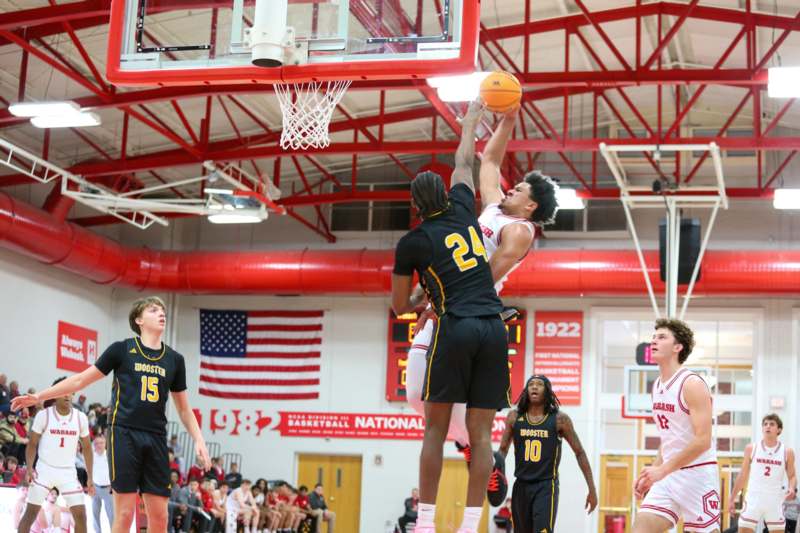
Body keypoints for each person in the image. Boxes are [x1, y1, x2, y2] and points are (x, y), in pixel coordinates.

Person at [404, 105, 559, 507]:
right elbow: (487, 159)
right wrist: (509, 117)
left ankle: (477, 455)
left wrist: (444, 297)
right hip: (449, 302)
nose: (512, 189)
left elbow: (485, 274)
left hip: (470, 309)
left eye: (520, 190)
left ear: (531, 207)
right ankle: (475, 453)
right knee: (415, 395)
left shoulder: (520, 230)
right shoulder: (493, 207)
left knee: (441, 410)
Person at [392, 100, 509, 533]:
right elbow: (464, 162)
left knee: (434, 431)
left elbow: (399, 306)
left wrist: (426, 294)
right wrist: (470, 124)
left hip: (455, 325)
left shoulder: (414, 241)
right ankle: (469, 525)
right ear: (446, 195)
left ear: (415, 205)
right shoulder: (462, 208)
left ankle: (424, 524)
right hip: (494, 328)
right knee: (482, 436)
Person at [12, 296, 212, 533]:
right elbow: (79, 379)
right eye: (153, 309)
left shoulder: (175, 360)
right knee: (125, 514)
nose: (161, 313)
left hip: (156, 437)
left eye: (163, 310)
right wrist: (39, 397)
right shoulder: (121, 350)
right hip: (124, 434)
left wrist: (199, 438)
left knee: (159, 516)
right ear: (138, 319)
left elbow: (183, 408)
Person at [633, 319, 720, 533]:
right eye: (653, 337)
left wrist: (661, 470)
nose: (653, 341)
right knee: (641, 528)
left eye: (661, 337)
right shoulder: (657, 385)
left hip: (697, 476)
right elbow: (670, 439)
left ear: (677, 347)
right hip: (669, 477)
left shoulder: (692, 384)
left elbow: (703, 440)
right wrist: (652, 473)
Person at [496, 375, 597, 532]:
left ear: (547, 391)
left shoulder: (559, 419)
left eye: (539, 384)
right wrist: (496, 472)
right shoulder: (514, 417)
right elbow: (502, 450)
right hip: (521, 485)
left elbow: (580, 452)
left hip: (546, 486)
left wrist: (592, 489)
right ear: (526, 391)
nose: (534, 387)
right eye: (531, 384)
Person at [16, 377, 94, 533]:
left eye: (70, 392)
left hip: (68, 472)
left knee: (81, 515)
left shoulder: (81, 418)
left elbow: (87, 448)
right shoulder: (43, 415)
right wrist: (30, 468)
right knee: (30, 514)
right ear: (55, 394)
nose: (67, 396)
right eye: (63, 392)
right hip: (44, 469)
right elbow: (32, 444)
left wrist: (90, 477)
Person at [727, 414, 797, 533]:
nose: (767, 426)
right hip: (754, 497)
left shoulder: (787, 451)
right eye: (765, 424)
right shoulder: (751, 448)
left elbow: (792, 476)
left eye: (772, 424)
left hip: (774, 499)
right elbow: (742, 475)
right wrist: (732, 498)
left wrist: (791, 487)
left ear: (779, 430)